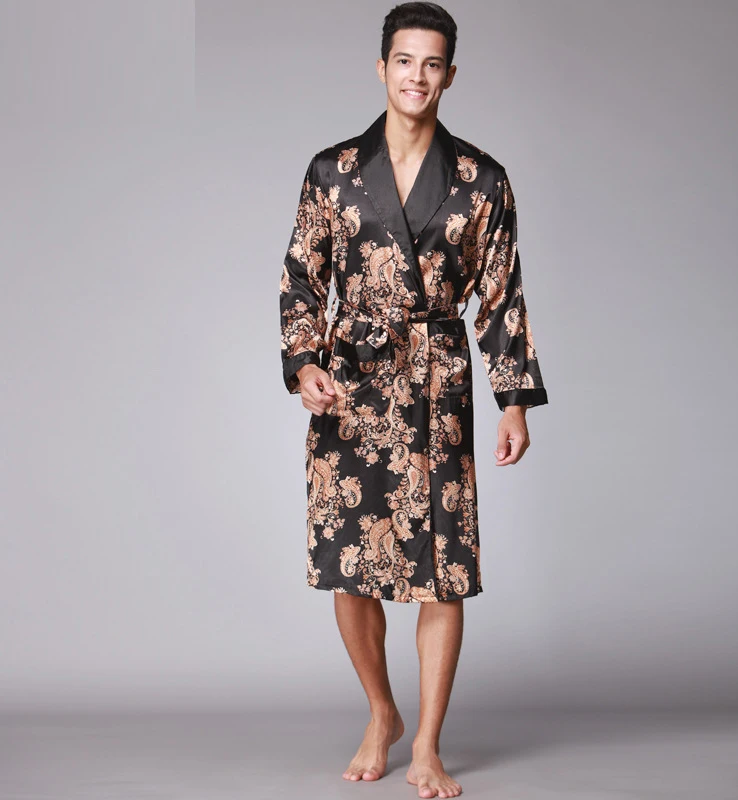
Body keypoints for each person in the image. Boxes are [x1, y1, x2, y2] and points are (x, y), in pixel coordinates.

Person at [279, 3, 548, 797]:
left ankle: (428, 743)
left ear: (449, 76)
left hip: (437, 384)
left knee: (443, 572)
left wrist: (513, 401)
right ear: (382, 68)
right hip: (352, 387)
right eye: (404, 61)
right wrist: (304, 364)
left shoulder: (481, 179)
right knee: (351, 566)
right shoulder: (332, 171)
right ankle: (381, 711)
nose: (417, 76)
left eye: (432, 64)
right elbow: (301, 278)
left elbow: (500, 296)